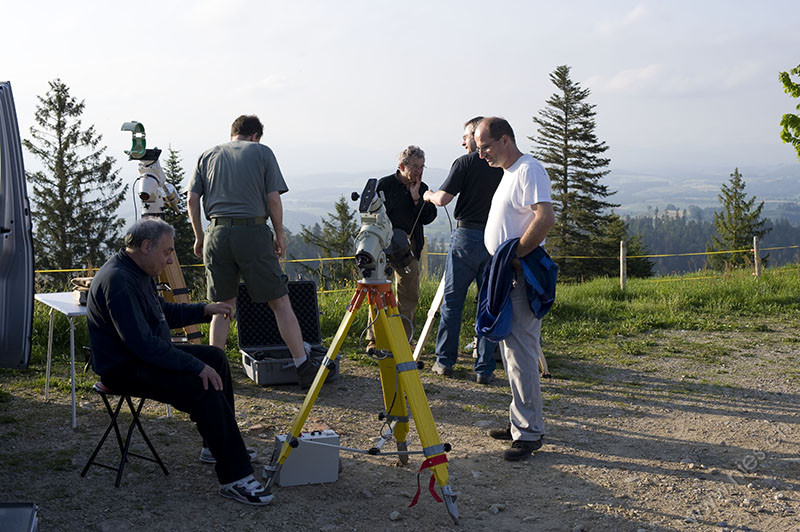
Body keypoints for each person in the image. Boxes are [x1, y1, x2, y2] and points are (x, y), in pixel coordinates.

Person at [86, 218, 273, 504]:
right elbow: (143, 346)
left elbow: (163, 313)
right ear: (146, 246)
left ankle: (216, 446)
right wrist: (194, 366)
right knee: (202, 384)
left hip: (142, 357)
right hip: (124, 368)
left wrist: (204, 309)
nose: (170, 258)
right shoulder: (119, 281)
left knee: (215, 358)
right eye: (167, 251)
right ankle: (235, 477)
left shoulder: (138, 270)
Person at [187, 115, 318, 389]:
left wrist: (199, 237)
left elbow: (192, 199)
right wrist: (280, 235)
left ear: (233, 133)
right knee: (280, 302)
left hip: (216, 233)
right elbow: (273, 198)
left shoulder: (207, 155)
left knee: (222, 307)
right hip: (253, 232)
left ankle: (214, 371)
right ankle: (302, 366)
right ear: (255, 135)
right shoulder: (262, 152)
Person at [474, 117, 555, 461]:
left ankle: (529, 433)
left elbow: (545, 217)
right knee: (511, 352)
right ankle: (519, 422)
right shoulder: (510, 172)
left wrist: (517, 254)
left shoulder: (528, 170)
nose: (482, 155)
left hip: (517, 273)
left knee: (521, 352)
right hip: (506, 273)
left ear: (505, 140)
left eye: (486, 147)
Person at [423, 116, 503, 384]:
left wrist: (427, 195)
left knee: (453, 302)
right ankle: (485, 367)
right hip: (495, 239)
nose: (463, 142)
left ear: (474, 134)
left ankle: (445, 362)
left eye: (465, 136)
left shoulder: (464, 163)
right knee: (488, 303)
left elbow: (443, 199)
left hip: (466, 236)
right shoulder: (503, 166)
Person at [373, 145, 437, 342]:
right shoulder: (384, 185)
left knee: (408, 297)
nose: (419, 171)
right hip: (383, 249)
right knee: (379, 295)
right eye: (415, 166)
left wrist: (416, 198)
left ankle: (403, 340)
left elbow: (429, 217)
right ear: (402, 166)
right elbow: (374, 214)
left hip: (410, 249)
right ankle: (376, 339)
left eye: (422, 167)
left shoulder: (423, 188)